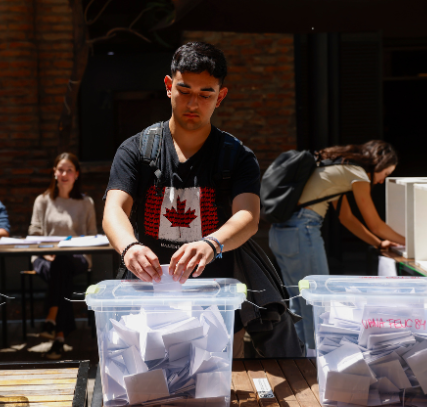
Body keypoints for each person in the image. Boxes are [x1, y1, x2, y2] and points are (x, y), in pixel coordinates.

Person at [102, 42, 261, 357]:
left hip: (217, 312)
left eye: (206, 95)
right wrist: (129, 247)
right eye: (185, 91)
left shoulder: (237, 156)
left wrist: (211, 244)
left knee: (220, 400)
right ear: (167, 86)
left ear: (221, 96)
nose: (193, 104)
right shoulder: (135, 150)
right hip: (147, 311)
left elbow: (248, 218)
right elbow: (113, 210)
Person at [268, 141, 406, 349]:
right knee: (318, 303)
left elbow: (346, 218)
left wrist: (378, 244)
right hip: (302, 231)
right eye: (384, 174)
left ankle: (303, 359)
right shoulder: (357, 173)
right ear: (377, 165)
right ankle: (319, 364)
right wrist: (413, 242)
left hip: (281, 235)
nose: (381, 181)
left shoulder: (336, 169)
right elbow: (375, 223)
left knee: (299, 302)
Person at [30, 153, 97, 359]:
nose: (64, 173)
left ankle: (51, 318)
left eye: (69, 170)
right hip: (44, 257)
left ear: (76, 174)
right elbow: (34, 233)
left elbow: (92, 236)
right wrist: (46, 251)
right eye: (61, 169)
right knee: (62, 272)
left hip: (76, 256)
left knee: (62, 262)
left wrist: (66, 250)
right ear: (54, 172)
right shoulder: (43, 200)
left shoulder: (86, 202)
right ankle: (59, 337)